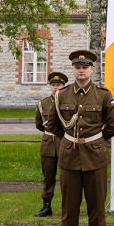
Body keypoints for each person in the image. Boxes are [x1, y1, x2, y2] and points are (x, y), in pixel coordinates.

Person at [43, 49, 114, 226]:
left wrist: (95, 143)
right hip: (69, 159)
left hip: (95, 159)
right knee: (69, 208)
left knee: (96, 207)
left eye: (85, 67)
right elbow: (53, 125)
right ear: (73, 69)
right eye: (77, 67)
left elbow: (113, 126)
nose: (81, 70)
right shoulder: (61, 95)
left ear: (92, 69)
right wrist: (68, 143)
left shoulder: (104, 95)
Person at [33, 71, 68, 217]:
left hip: (64, 142)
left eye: (58, 85)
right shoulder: (43, 103)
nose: (55, 87)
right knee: (48, 176)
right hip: (48, 143)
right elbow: (39, 124)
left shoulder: (68, 102)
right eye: (53, 85)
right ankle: (46, 205)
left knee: (67, 175)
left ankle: (68, 206)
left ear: (64, 86)